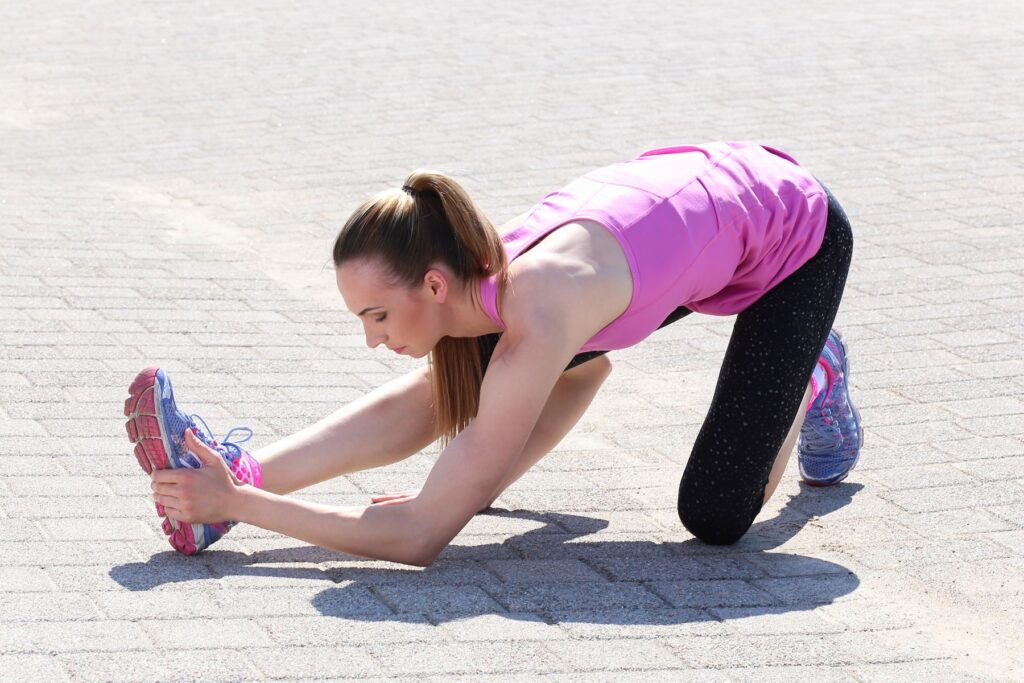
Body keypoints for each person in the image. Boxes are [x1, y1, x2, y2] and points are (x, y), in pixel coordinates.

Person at [124, 141, 861, 564]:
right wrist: (243, 491)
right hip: (690, 232)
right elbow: (582, 374)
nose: (371, 337)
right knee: (452, 383)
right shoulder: (482, 277)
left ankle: (815, 368)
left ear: (434, 282)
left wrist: (243, 508)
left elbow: (417, 539)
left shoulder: (538, 310)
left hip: (793, 233)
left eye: (378, 314)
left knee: (716, 515)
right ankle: (237, 465)